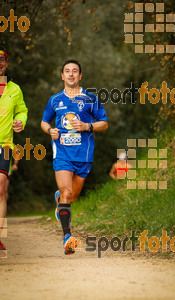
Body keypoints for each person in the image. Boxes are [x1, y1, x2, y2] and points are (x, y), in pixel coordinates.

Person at [41, 59, 108, 255]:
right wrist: (50, 130)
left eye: (75, 71)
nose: (71, 74)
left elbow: (104, 123)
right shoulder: (54, 100)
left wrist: (88, 126)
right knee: (68, 194)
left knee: (73, 197)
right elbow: (44, 122)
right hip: (62, 153)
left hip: (84, 155)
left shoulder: (90, 99)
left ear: (80, 76)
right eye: (67, 71)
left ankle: (59, 199)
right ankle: (67, 237)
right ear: (62, 76)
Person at [0, 47, 28, 254]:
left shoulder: (15, 89)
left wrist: (20, 121)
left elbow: (22, 110)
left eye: (2, 60)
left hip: (6, 145)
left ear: (6, 64)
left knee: (1, 190)